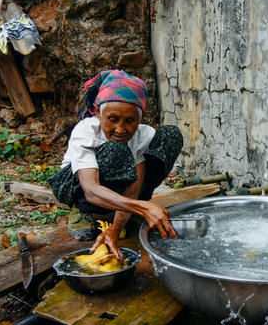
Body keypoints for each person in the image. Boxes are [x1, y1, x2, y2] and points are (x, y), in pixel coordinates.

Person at [48, 69, 182, 260]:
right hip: (75, 186)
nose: (120, 129)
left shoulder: (143, 135)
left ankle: (121, 212)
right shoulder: (86, 131)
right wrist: (143, 208)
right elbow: (91, 189)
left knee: (170, 135)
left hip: (120, 187)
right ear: (97, 113)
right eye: (112, 119)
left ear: (141, 118)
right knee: (116, 150)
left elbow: (133, 188)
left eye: (130, 121)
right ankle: (82, 211)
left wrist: (115, 228)